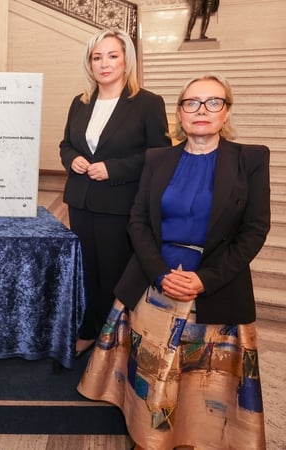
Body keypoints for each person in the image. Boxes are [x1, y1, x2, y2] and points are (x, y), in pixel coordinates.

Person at [78, 74, 269, 449]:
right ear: (179, 114)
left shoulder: (251, 159)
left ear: (226, 110)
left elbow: (255, 229)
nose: (201, 110)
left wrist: (205, 280)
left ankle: (195, 436)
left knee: (201, 380)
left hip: (215, 285)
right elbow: (138, 221)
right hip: (155, 280)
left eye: (213, 102)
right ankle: (147, 435)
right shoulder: (158, 158)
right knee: (150, 371)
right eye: (192, 103)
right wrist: (161, 273)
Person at [59, 29, 171, 359]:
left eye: (112, 55)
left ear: (126, 61)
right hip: (81, 201)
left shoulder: (147, 103)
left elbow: (160, 154)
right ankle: (91, 329)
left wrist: (114, 168)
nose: (104, 63)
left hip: (119, 204)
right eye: (97, 57)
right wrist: (72, 160)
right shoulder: (80, 103)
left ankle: (113, 340)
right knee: (88, 271)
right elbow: (66, 145)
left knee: (114, 274)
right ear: (89, 63)